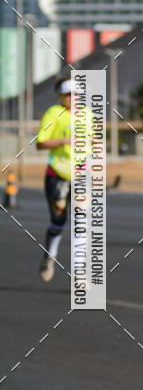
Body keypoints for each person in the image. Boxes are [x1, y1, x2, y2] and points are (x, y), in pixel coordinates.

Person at [36, 78, 74, 282]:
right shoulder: (53, 114)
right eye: (68, 95)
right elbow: (40, 144)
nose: (72, 99)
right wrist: (64, 141)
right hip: (57, 175)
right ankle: (49, 257)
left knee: (83, 225)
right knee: (58, 222)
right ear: (61, 96)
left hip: (81, 177)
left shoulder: (87, 115)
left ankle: (82, 272)